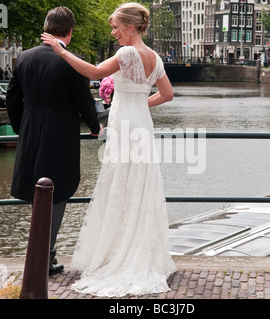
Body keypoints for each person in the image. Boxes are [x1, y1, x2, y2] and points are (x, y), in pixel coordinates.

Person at [41, 2, 176, 297]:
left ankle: (120, 254)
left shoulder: (127, 53)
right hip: (140, 123)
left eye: (116, 26)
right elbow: (167, 94)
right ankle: (139, 250)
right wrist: (140, 103)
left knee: (121, 184)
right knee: (139, 186)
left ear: (130, 27)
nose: (113, 32)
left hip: (125, 126)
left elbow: (92, 71)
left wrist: (62, 51)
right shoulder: (154, 57)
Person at [6, 6, 102, 276]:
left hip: (31, 135)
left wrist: (21, 128)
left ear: (46, 28)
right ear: (69, 32)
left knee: (38, 192)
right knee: (57, 193)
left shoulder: (23, 58)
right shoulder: (71, 60)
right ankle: (45, 258)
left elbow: (12, 99)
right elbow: (84, 101)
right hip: (60, 137)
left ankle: (42, 256)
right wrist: (95, 127)